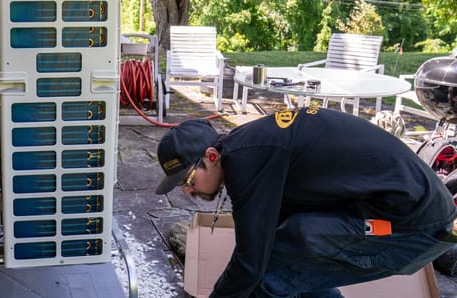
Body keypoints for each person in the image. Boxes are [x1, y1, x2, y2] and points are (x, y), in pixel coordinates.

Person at [154, 106, 457, 298]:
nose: (188, 191)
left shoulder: (247, 163)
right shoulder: (249, 147)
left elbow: (250, 262)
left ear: (211, 156)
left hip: (411, 227)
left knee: (271, 273)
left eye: (189, 180)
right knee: (287, 255)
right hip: (403, 214)